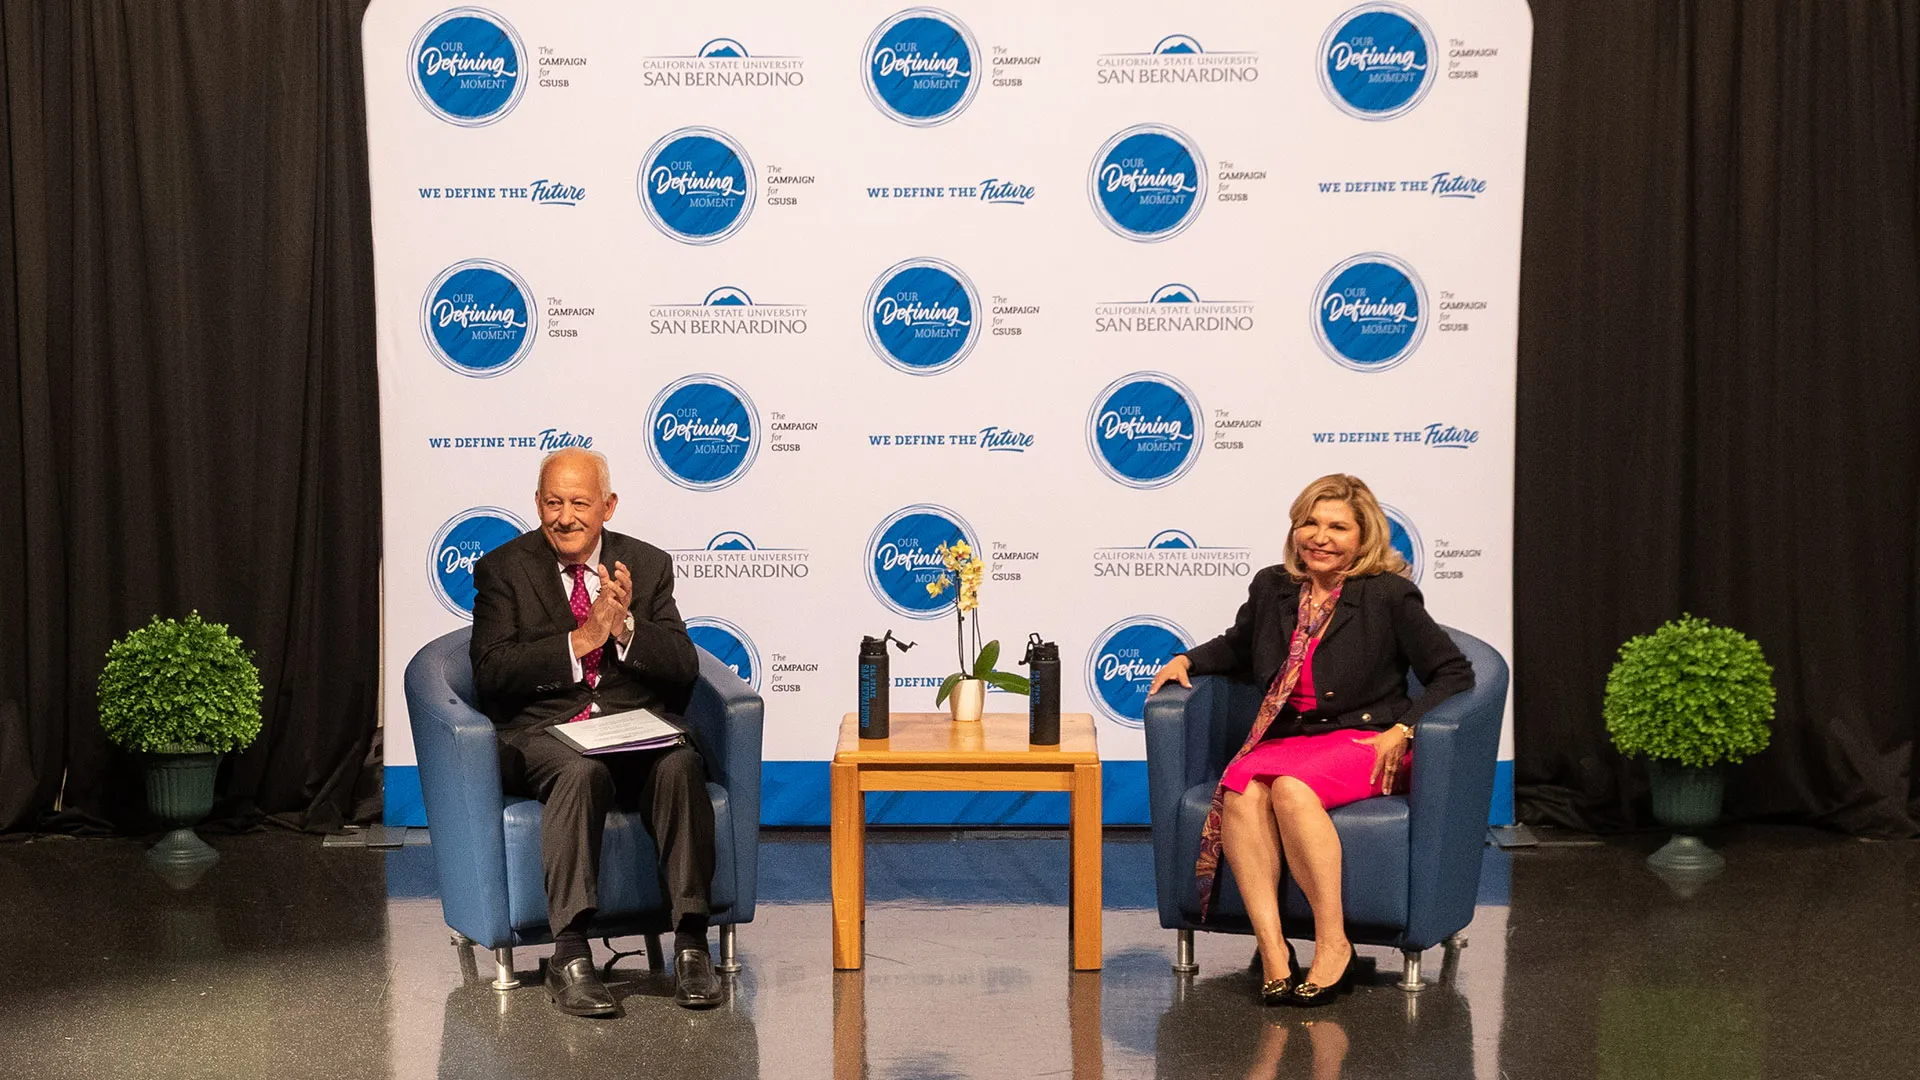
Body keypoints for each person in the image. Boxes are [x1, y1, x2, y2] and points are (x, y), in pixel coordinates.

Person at [1147, 474, 1472, 1007]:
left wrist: (1403, 728)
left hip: (1368, 740)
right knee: (1242, 790)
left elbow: (1453, 673)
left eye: (1338, 527)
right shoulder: (1272, 586)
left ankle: (1333, 944)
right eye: (1310, 523)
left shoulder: (1387, 594)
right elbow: (1238, 645)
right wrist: (1188, 659)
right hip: (1293, 740)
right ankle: (1274, 951)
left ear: (1362, 537)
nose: (1320, 536)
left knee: (1291, 790)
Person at [469, 447, 723, 1015]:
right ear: (537, 504)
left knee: (680, 762)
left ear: (607, 506)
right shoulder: (503, 569)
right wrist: (581, 640)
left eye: (579, 503)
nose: (566, 517)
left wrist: (626, 625)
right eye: (553, 503)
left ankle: (691, 945)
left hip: (631, 725)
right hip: (545, 732)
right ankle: (570, 954)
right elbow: (490, 673)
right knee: (579, 770)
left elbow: (683, 666)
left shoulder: (648, 565)